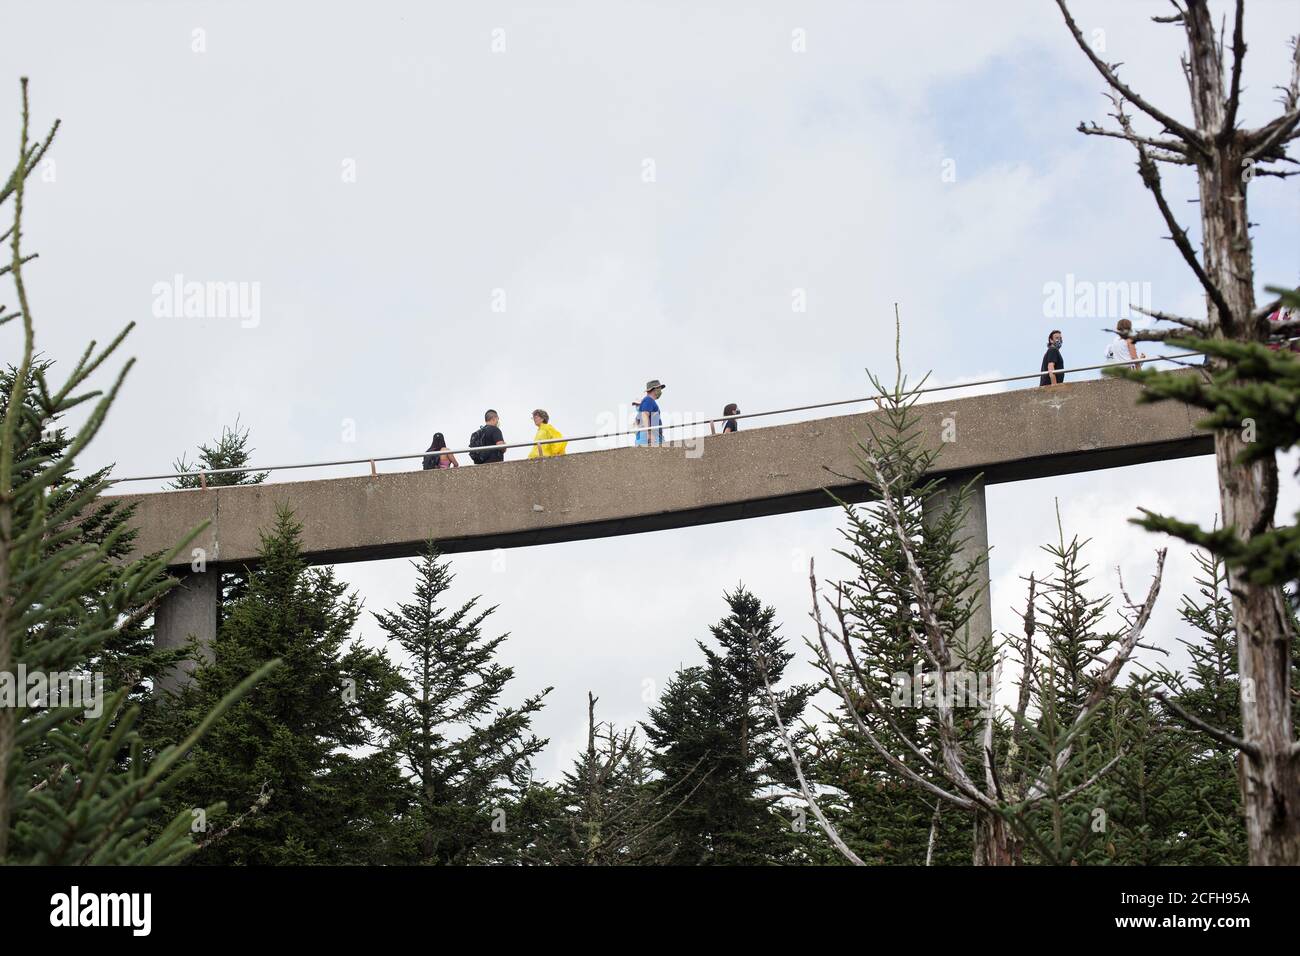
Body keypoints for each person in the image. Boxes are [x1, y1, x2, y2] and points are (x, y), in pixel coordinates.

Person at [636, 379, 666, 447]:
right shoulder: (648, 400)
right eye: (659, 388)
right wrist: (649, 434)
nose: (660, 391)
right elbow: (644, 415)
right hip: (652, 437)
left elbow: (638, 420)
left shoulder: (648, 401)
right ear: (653, 389)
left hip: (653, 436)